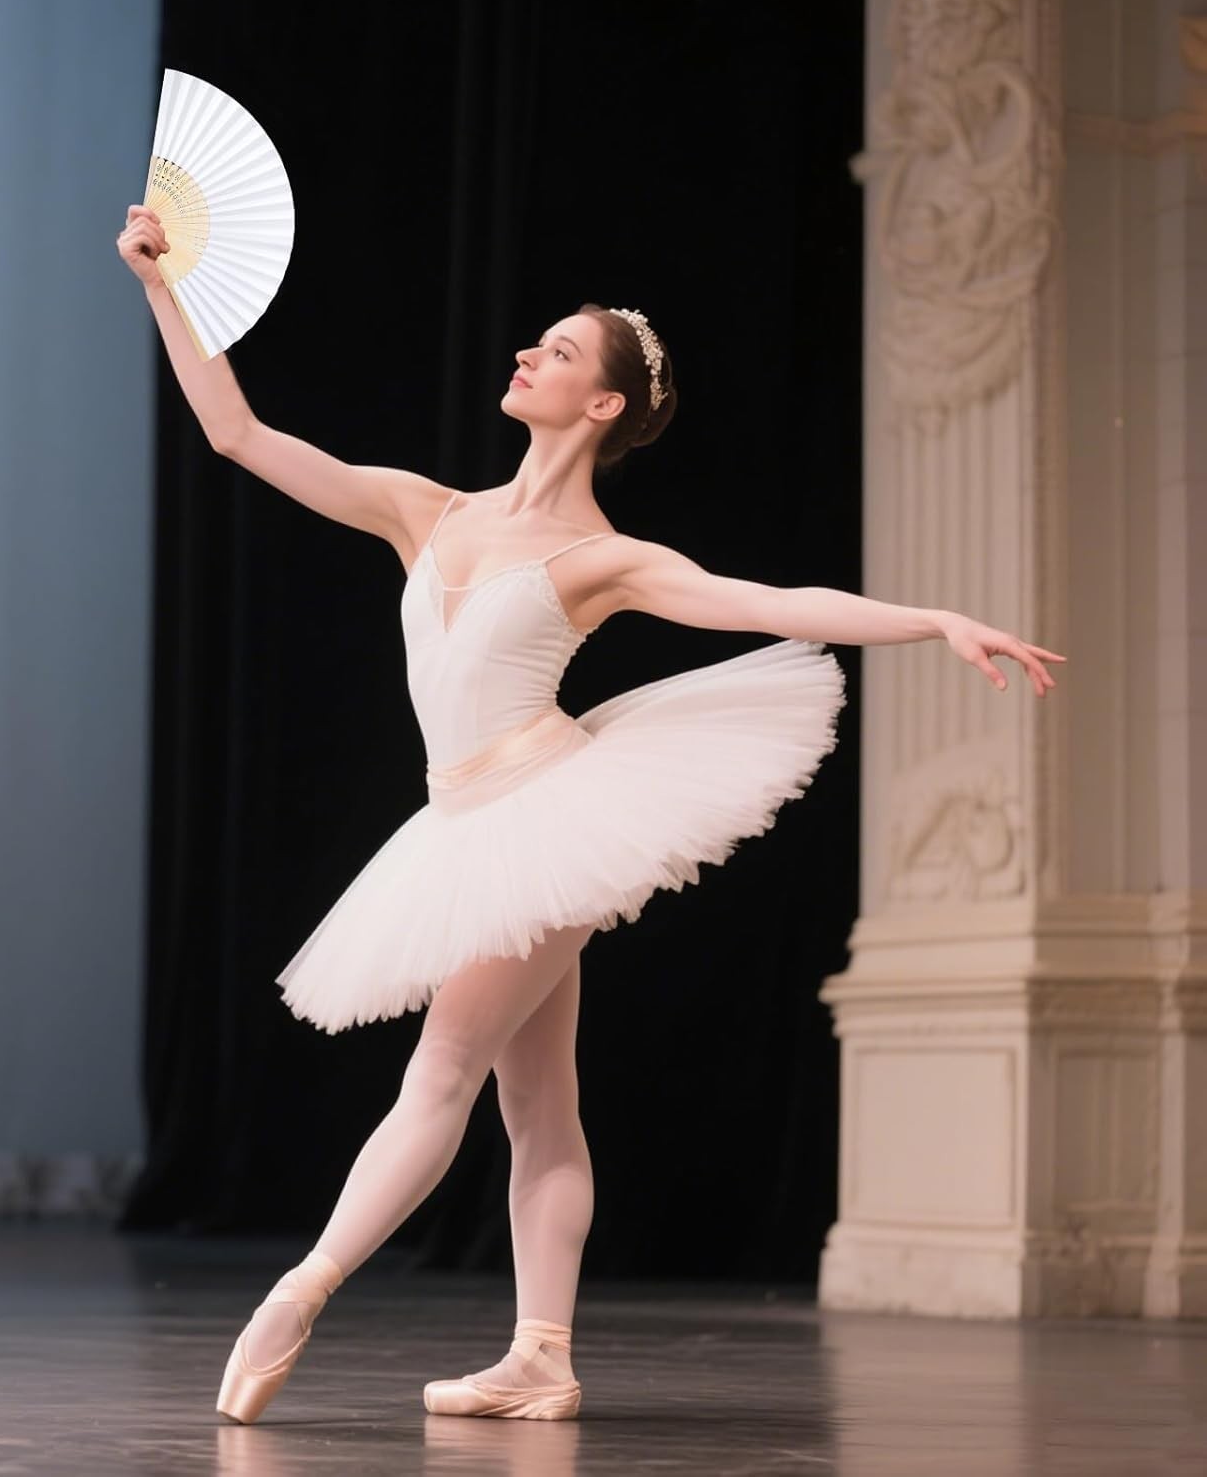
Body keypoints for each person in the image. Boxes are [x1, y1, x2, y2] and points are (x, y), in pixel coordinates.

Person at [116, 205, 1065, 1424]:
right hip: (461, 820)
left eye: (558, 350)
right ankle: (542, 1358)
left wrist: (933, 620)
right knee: (539, 1105)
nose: (527, 354)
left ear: (603, 403)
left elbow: (771, 601)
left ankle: (301, 1291)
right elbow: (237, 433)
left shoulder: (604, 559)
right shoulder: (427, 509)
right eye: (537, 342)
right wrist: (163, 286)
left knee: (443, 1069)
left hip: (545, 813)